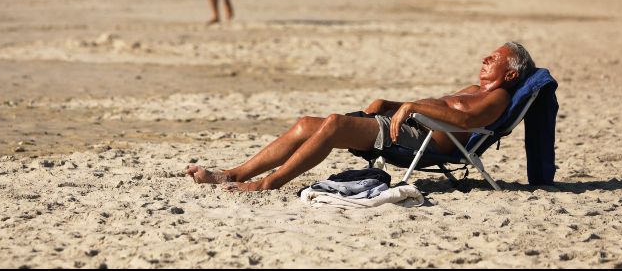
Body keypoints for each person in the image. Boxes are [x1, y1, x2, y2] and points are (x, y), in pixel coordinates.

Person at [186, 42, 535, 192]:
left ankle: (266, 184)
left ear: (510, 74)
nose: (486, 59)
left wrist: (410, 106)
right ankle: (232, 173)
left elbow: (460, 122)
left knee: (336, 124)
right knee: (308, 124)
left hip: (425, 141)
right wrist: (393, 103)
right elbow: (444, 109)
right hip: (411, 127)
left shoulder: (497, 98)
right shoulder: (474, 87)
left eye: (495, 58)